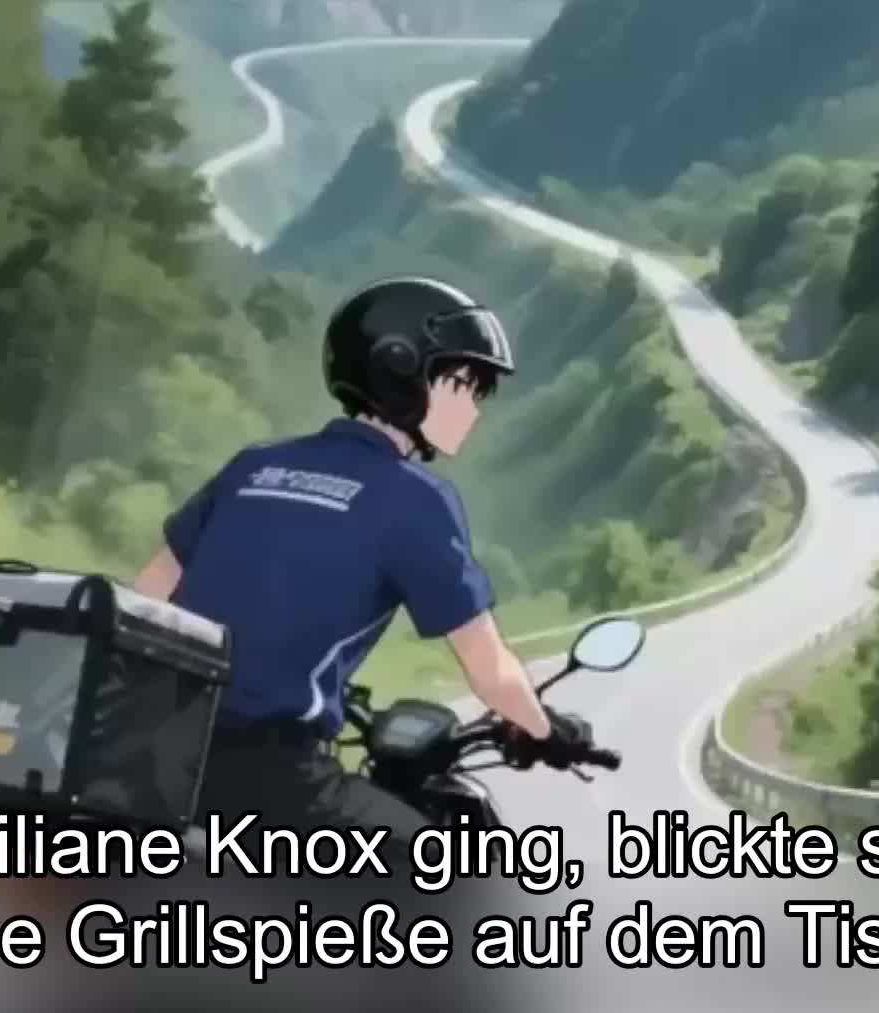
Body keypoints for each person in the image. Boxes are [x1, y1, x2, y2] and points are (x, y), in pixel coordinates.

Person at [129, 275, 588, 850]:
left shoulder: (254, 466)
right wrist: (546, 730)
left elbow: (146, 596)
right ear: (401, 371)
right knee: (444, 869)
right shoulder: (416, 499)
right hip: (267, 780)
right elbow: (488, 668)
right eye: (465, 386)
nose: (473, 409)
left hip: (151, 754)